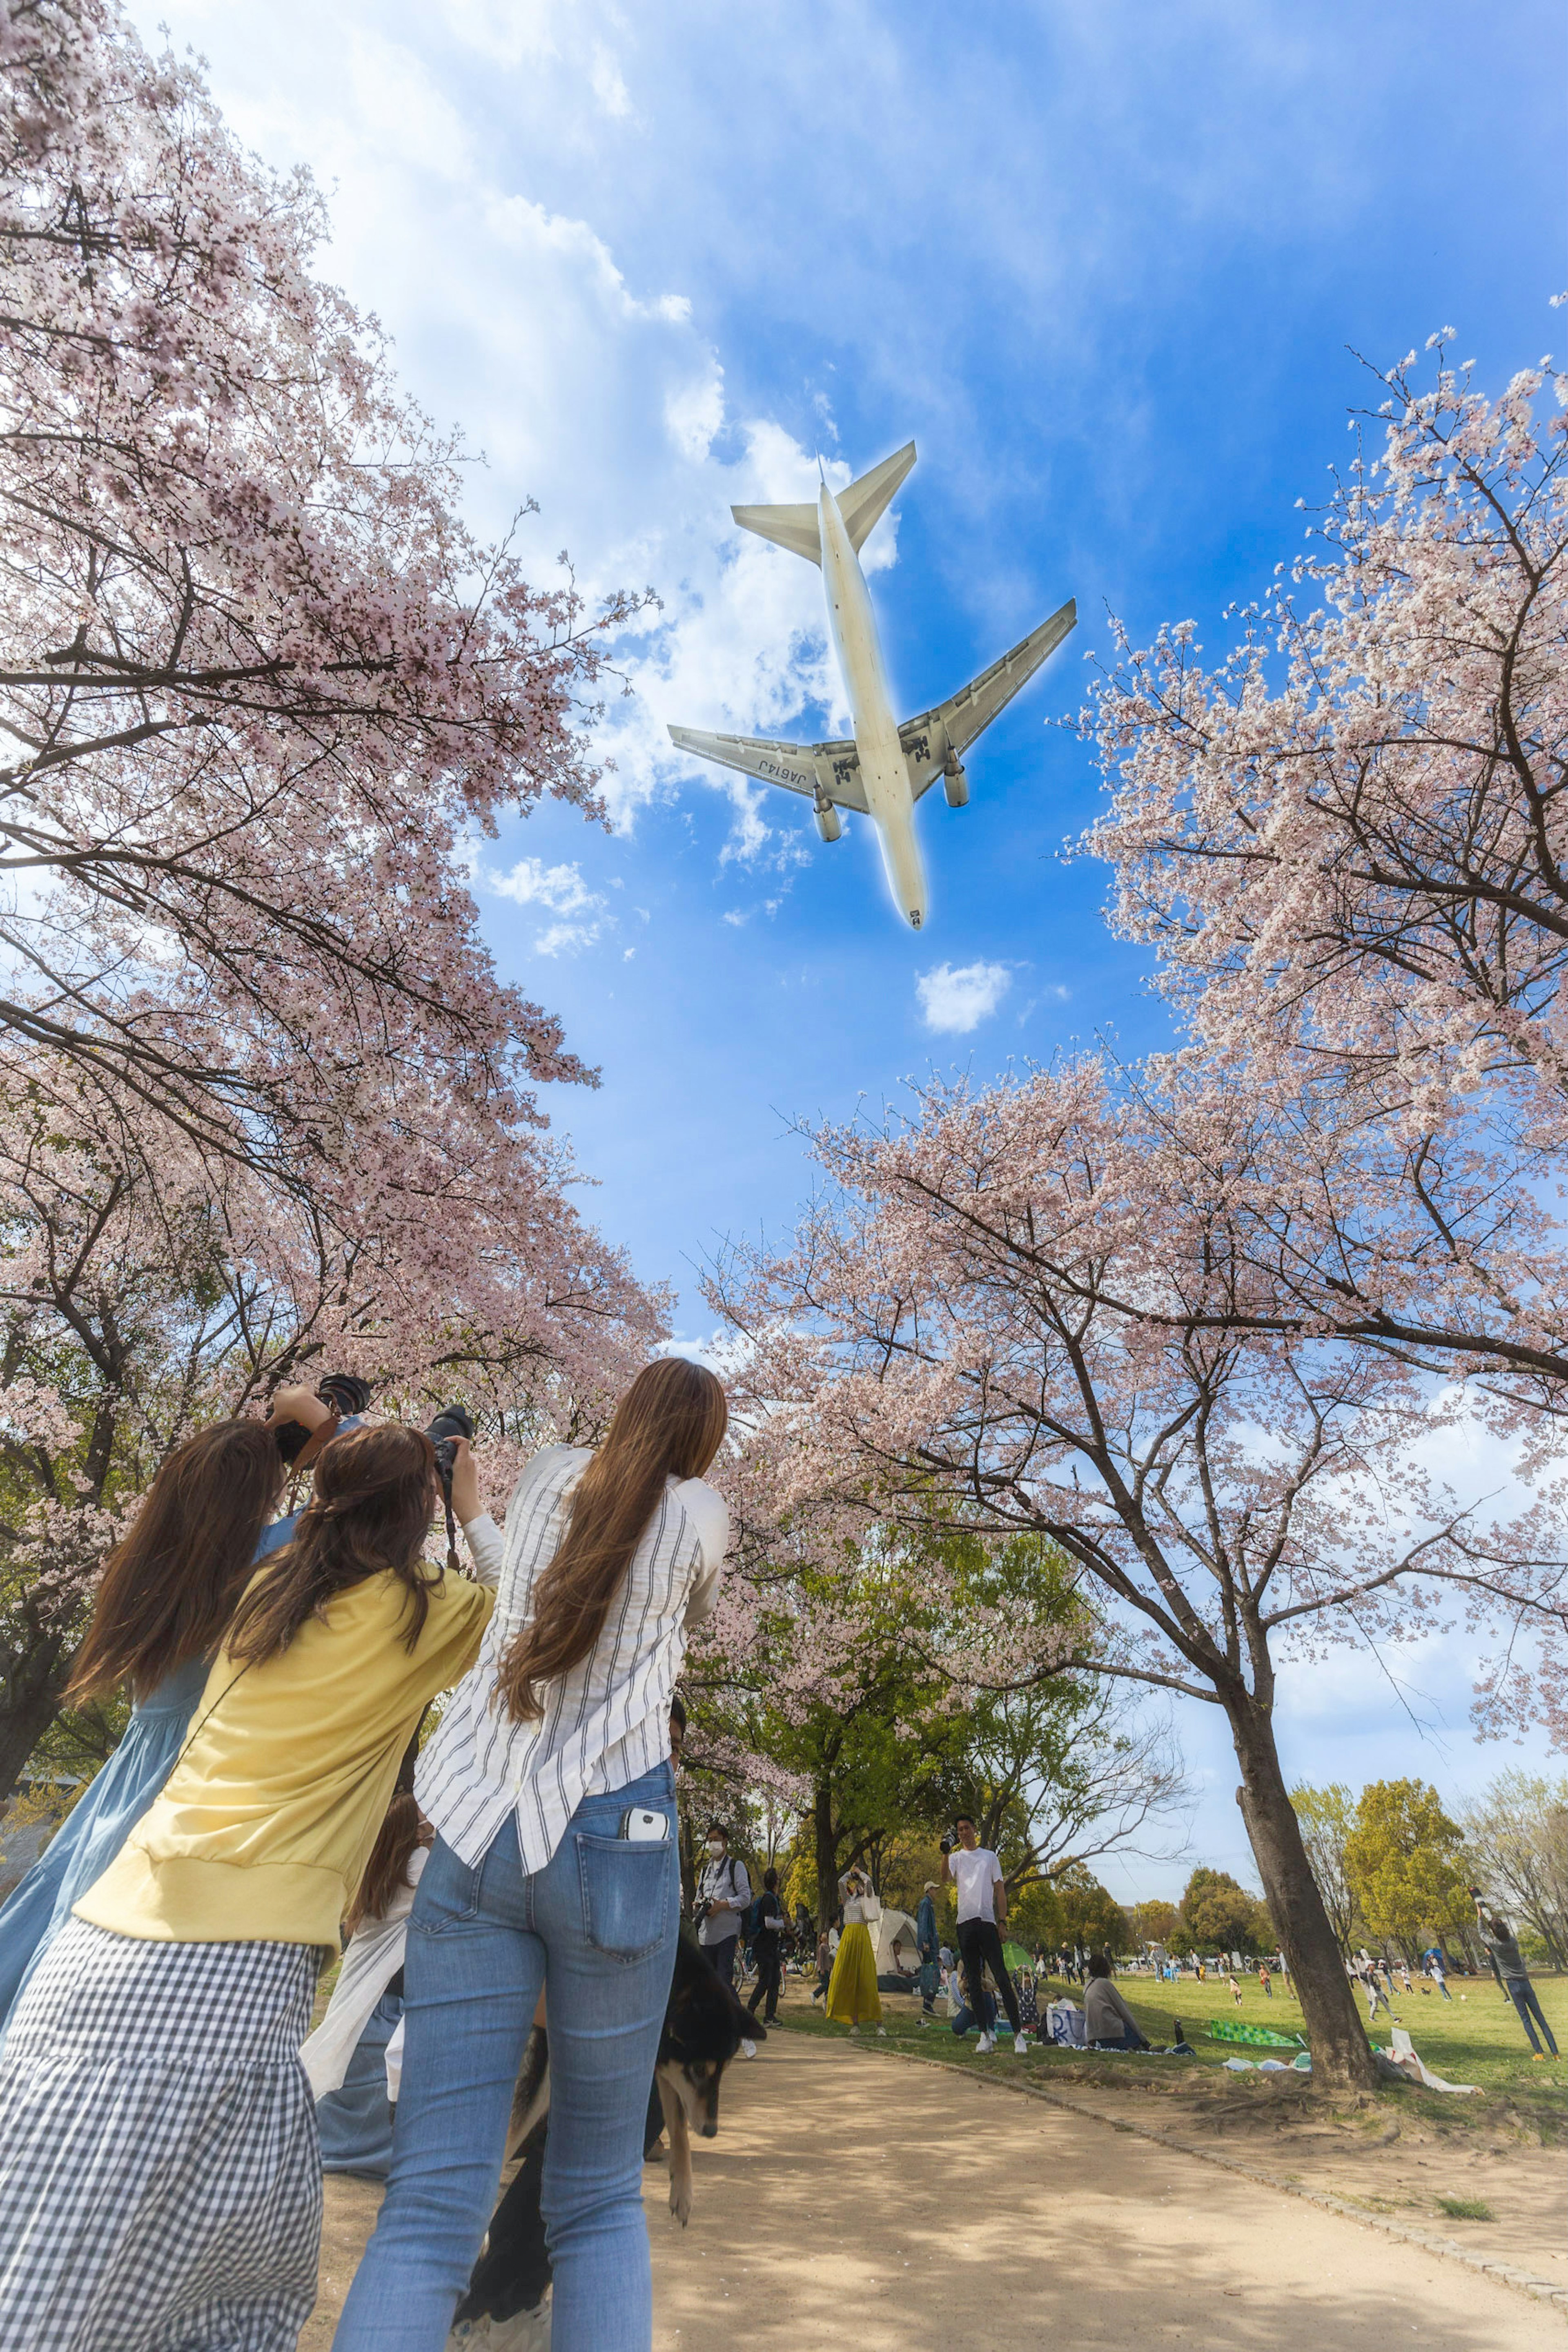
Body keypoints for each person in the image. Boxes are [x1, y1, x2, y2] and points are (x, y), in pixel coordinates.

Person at [0, 1419, 500, 2352]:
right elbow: (528, 1616)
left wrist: (298, 1440)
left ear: (317, 1495)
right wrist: (468, 1502)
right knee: (159, 2256)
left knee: (57, 2208)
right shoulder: (429, 1607)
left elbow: (231, 1498)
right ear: (418, 1508)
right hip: (239, 1954)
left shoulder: (256, 1577)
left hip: (102, 1926)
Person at [334, 1356, 730, 2352]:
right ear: (702, 1439)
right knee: (596, 2197)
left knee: (427, 2202)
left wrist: (472, 1507)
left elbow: (528, 1595)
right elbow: (680, 1618)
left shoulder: (553, 1469)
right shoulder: (703, 1514)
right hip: (615, 1834)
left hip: (479, 1824)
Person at [0, 1384, 343, 2032]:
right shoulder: (261, 1557)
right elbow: (365, 1490)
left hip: (125, 1776)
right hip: (183, 1779)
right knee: (90, 1948)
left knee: (56, 1923)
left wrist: (276, 1436)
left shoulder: (155, 1556)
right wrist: (319, 1419)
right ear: (253, 1498)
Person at [303, 1756, 432, 2180]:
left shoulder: (376, 1872)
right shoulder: (419, 1868)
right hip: (391, 2000)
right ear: (412, 1834)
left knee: (353, 2085)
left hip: (365, 2003)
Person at [941, 1815, 1028, 2055]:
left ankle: (1019, 2035)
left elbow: (1000, 1889)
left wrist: (1002, 1921)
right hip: (965, 1924)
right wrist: (945, 1852)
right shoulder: (957, 1858)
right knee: (974, 1984)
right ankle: (983, 2036)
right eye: (960, 1830)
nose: (964, 1833)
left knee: (1001, 1977)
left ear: (974, 1830)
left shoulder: (989, 1857)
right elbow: (945, 1879)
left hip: (987, 1922)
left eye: (967, 1828)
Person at [1474, 1899, 1558, 2060]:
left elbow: (1482, 1933)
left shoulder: (1495, 1945)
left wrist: (1480, 1916)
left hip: (1513, 1985)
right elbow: (1500, 1932)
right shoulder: (1513, 1942)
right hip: (1525, 1983)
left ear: (1495, 1933)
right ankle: (1555, 2053)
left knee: (1526, 2020)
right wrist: (1495, 1922)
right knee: (1541, 2019)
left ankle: (1539, 2053)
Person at [824, 1864, 884, 2033]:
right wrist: (850, 1875)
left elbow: (869, 1883)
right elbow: (840, 1883)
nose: (858, 1886)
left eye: (860, 1885)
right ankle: (855, 2025)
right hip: (849, 1939)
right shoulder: (847, 1900)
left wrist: (860, 1874)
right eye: (856, 1884)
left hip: (862, 1938)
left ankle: (879, 2025)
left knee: (867, 1981)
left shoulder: (868, 1898)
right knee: (849, 1980)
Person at [695, 1822, 751, 1986]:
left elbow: (746, 1898)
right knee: (708, 1986)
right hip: (705, 1937)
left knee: (723, 1983)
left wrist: (723, 1905)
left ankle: (731, 2012)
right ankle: (731, 2012)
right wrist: (698, 1905)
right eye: (710, 1840)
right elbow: (700, 1895)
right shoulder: (705, 1871)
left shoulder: (736, 1866)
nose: (713, 1844)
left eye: (717, 1839)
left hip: (726, 1934)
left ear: (725, 1841)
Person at [1083, 1952, 1149, 2051]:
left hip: (1097, 2035)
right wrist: (1143, 2039)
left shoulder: (1087, 1987)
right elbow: (1124, 2012)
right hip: (1113, 2031)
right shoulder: (1105, 1984)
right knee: (1140, 2046)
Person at [748, 1867, 786, 2024]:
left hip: (770, 1946)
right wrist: (784, 1923)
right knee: (765, 1981)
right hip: (764, 1947)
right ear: (775, 1882)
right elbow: (769, 1923)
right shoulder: (769, 1900)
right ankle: (750, 2011)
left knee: (775, 1980)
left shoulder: (774, 1899)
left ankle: (769, 2016)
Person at [916, 1879, 940, 2022]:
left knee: (931, 1973)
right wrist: (925, 1941)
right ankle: (928, 2004)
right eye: (935, 1889)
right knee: (934, 1973)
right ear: (929, 1890)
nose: (936, 1892)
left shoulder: (928, 1904)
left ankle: (928, 2003)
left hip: (930, 1944)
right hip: (929, 1945)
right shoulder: (926, 1904)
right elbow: (924, 1922)